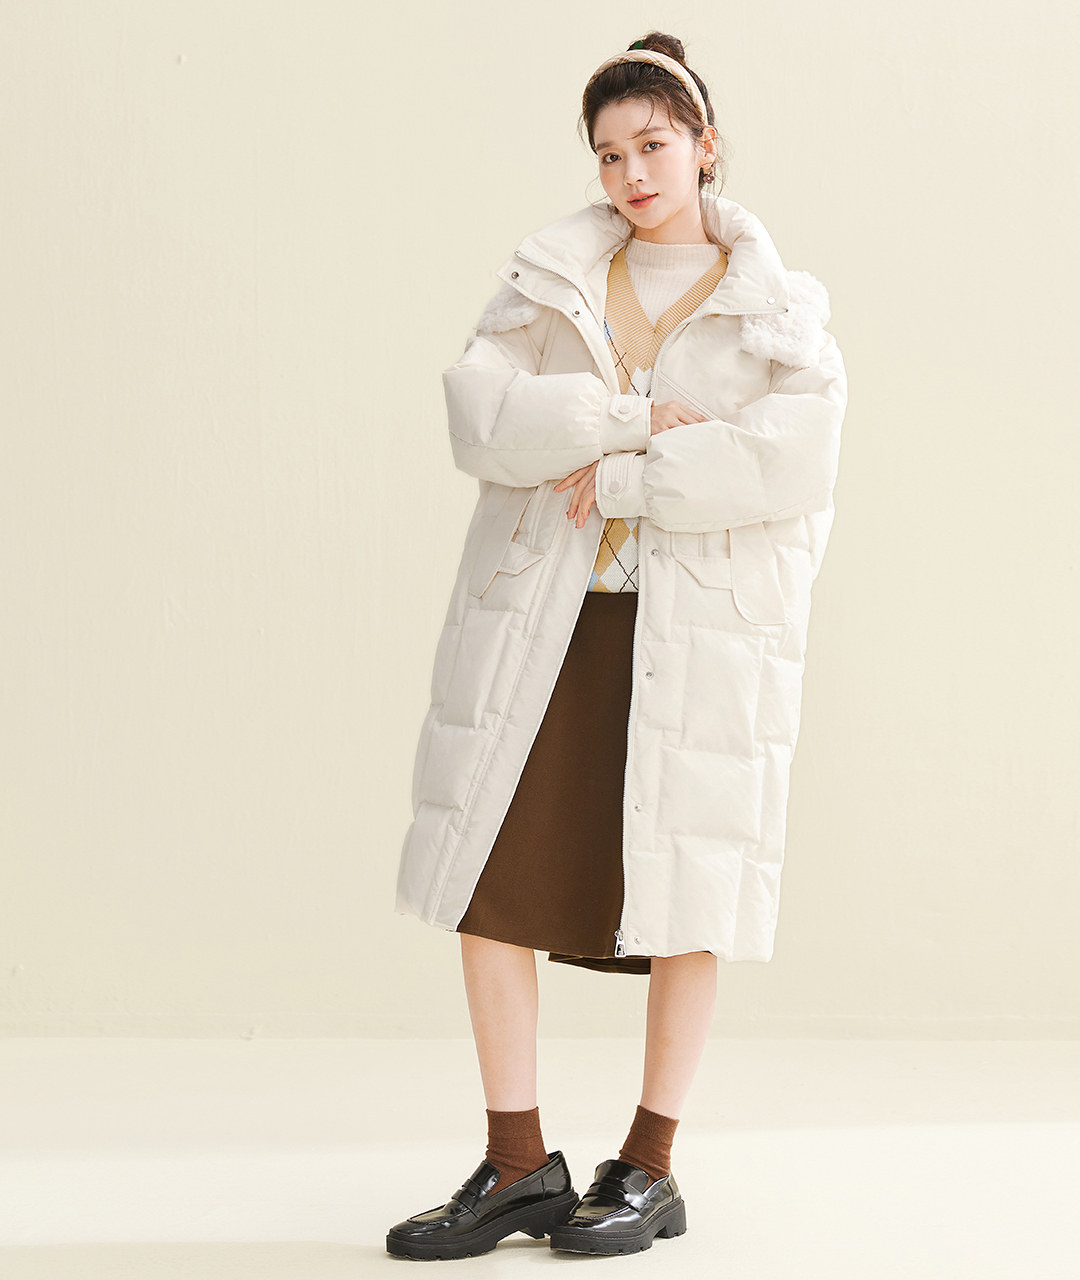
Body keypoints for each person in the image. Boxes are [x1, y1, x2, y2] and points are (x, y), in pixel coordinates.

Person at [387, 31, 847, 1261]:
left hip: (696, 636)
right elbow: (480, 416)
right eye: (607, 153)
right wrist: (630, 415)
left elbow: (789, 463)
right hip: (545, 623)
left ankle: (648, 1164)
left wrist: (631, 475)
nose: (631, 173)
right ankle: (515, 1160)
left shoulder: (778, 310)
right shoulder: (550, 282)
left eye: (652, 144)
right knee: (489, 881)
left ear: (704, 146)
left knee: (687, 892)